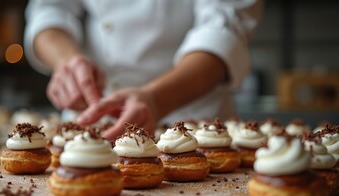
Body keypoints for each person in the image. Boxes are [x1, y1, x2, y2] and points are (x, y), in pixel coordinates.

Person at [24, 0, 263, 141]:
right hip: (88, 124)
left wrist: (156, 100)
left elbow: (224, 30)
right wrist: (66, 60)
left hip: (195, 126)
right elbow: (49, 9)